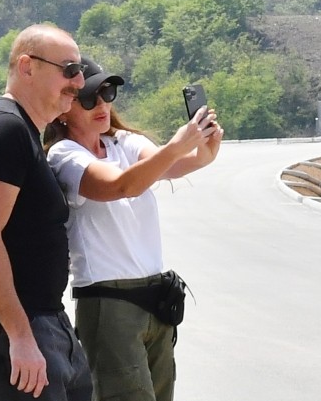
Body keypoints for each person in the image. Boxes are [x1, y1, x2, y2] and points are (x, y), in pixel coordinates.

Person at [44, 56, 224, 401]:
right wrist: (178, 146)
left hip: (154, 298)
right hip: (109, 303)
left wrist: (204, 151)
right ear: (65, 108)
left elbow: (174, 166)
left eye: (106, 93)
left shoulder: (121, 142)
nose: (101, 105)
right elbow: (120, 186)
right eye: (88, 98)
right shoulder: (64, 155)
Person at [0, 24, 93, 401]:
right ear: (27, 67)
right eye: (68, 70)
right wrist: (19, 336)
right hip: (11, 329)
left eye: (78, 70)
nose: (78, 81)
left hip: (44, 320)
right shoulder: (4, 130)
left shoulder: (25, 132)